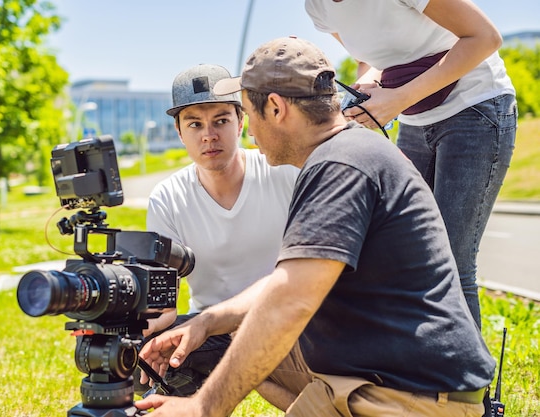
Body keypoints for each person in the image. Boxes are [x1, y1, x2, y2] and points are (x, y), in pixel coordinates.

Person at [135, 36, 496, 417]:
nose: (249, 133)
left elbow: (290, 301)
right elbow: (282, 289)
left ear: (274, 108)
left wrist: (202, 408)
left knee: (261, 333)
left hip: (410, 397)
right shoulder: (344, 153)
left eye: (245, 115)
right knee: (243, 338)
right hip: (390, 374)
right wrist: (207, 321)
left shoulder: (341, 167)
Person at [304, 0, 518, 328]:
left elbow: (484, 38)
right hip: (415, 121)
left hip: (475, 107)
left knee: (450, 261)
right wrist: (370, 86)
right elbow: (370, 58)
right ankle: (422, 369)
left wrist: (399, 99)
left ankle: (469, 379)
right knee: (409, 252)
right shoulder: (318, 6)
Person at [135, 63, 305, 408]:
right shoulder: (168, 197)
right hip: (211, 329)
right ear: (179, 132)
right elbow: (165, 306)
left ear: (241, 121)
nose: (208, 135)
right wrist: (139, 331)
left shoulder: (283, 172)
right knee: (135, 352)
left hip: (290, 320)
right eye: (194, 124)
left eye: (221, 121)